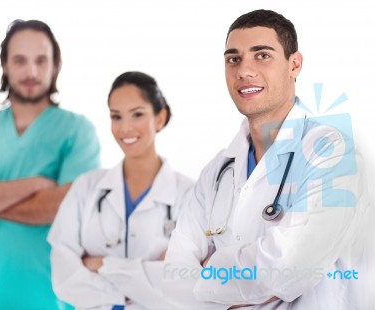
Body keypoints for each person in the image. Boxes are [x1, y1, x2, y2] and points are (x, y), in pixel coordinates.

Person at [87, 9, 372, 309]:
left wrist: (210, 266)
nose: (244, 71)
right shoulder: (216, 173)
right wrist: (243, 277)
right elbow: (175, 274)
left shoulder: (333, 154)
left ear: (294, 65)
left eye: (262, 55)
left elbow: (288, 268)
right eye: (233, 59)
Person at [0, 20, 100, 310]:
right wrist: (36, 185)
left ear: (55, 65)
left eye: (41, 60)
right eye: (20, 60)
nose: (31, 71)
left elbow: (65, 207)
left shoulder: (76, 130)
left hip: (50, 299)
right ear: (4, 65)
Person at [47, 71, 194, 309]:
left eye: (137, 114)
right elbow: (64, 274)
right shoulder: (86, 187)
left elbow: (187, 285)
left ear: (159, 117)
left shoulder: (189, 194)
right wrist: (136, 287)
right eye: (116, 116)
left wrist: (104, 266)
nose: (125, 127)